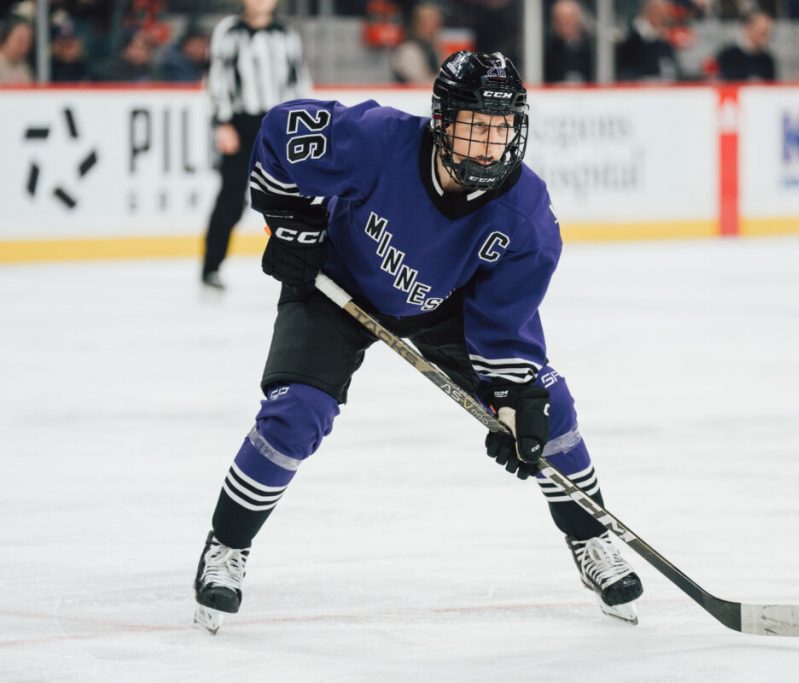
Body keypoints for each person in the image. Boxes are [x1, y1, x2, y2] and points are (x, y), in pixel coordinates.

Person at [192, 51, 645, 634]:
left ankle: (592, 539)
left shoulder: (525, 216)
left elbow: (504, 326)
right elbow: (281, 133)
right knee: (295, 414)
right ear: (441, 120)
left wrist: (513, 400)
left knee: (548, 410)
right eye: (474, 126)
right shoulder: (379, 140)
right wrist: (292, 225)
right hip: (336, 282)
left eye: (500, 128)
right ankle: (226, 546)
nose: (488, 145)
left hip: (442, 306)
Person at [202, 0, 311, 291]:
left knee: (293, 200)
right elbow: (217, 77)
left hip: (278, 125)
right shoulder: (229, 31)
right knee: (231, 198)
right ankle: (210, 269)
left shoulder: (286, 34)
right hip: (241, 124)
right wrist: (222, 122)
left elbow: (298, 80)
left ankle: (301, 270)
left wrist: (302, 123)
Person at [616, 0, 681, 82]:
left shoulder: (665, 42)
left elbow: (672, 70)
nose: (662, 18)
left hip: (664, 88)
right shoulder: (632, 40)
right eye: (658, 13)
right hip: (641, 89)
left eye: (663, 14)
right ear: (649, 12)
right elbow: (626, 72)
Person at [714, 10, 777, 82]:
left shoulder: (767, 60)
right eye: (762, 32)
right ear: (748, 28)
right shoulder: (728, 55)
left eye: (767, 32)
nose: (766, 37)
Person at [390, 1, 442, 84]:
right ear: (417, 24)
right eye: (427, 23)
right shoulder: (407, 49)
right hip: (409, 95)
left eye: (436, 23)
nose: (433, 28)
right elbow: (417, 82)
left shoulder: (436, 48)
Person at [544, 0, 594, 84]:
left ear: (579, 20)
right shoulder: (547, 52)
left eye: (569, 20)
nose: (564, 25)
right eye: (560, 21)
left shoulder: (594, 51)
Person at [0, 16, 33, 84]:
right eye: (20, 41)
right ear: (5, 38)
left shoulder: (24, 66)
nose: (25, 48)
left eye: (27, 42)